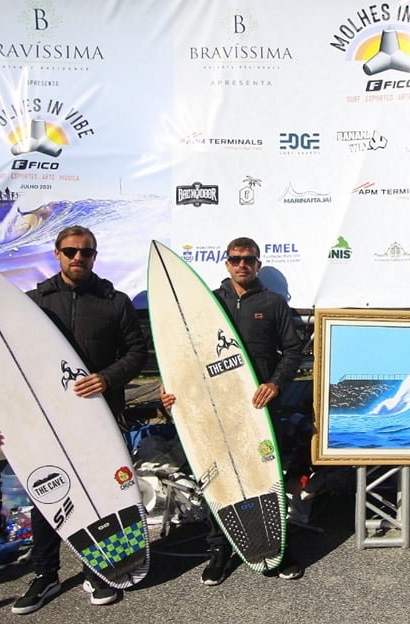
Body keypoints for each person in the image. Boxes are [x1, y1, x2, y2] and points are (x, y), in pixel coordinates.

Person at [0, 225, 149, 614]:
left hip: (100, 415)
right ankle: (45, 574)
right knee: (48, 493)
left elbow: (137, 353)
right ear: (56, 254)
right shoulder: (33, 303)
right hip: (46, 420)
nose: (78, 258)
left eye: (86, 252)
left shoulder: (114, 301)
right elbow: (8, 366)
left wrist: (107, 378)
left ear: (94, 256)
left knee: (104, 492)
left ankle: (99, 568)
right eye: (70, 251)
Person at [161, 236, 304, 585]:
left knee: (266, 476)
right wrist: (170, 389)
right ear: (226, 263)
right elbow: (183, 354)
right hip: (216, 410)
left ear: (257, 264)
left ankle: (278, 547)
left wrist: (276, 383)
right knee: (220, 479)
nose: (242, 264)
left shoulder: (273, 303)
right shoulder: (208, 303)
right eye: (236, 259)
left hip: (259, 408)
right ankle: (219, 549)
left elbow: (293, 350)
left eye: (249, 259)